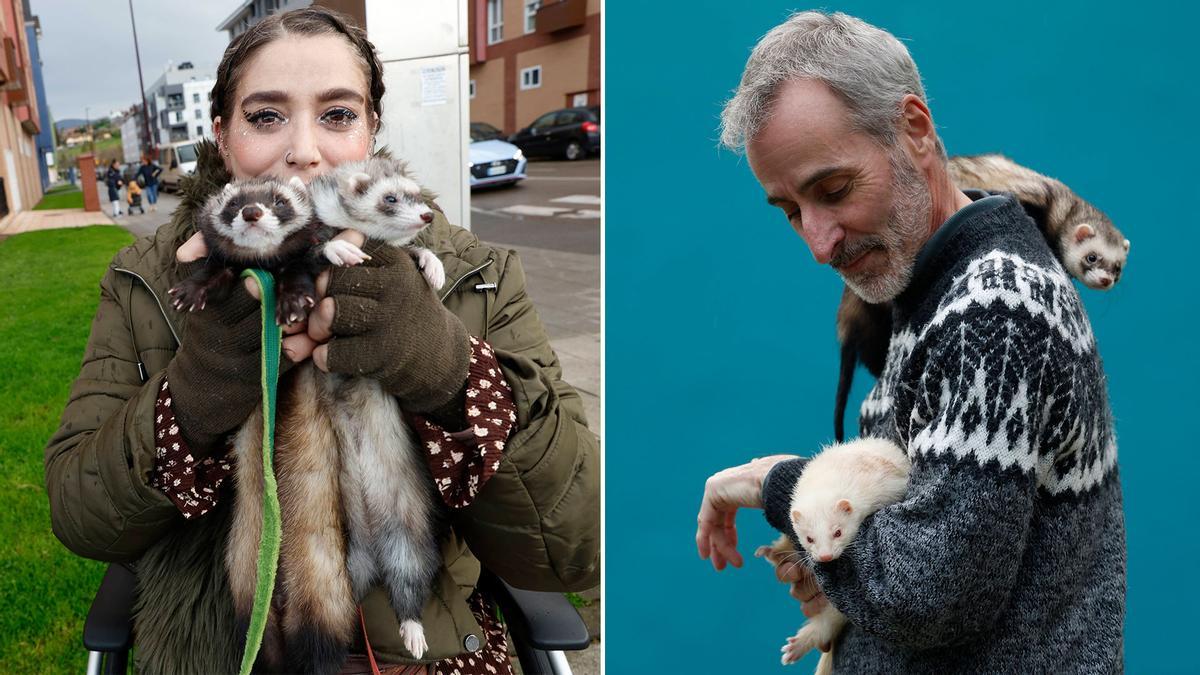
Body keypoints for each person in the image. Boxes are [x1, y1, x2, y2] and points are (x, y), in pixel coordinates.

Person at [43, 8, 598, 675]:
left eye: (337, 115)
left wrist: (450, 371)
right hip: (229, 653)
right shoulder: (149, 281)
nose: (303, 149)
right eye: (266, 116)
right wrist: (191, 396)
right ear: (222, 138)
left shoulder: (470, 274)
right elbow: (82, 513)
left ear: (370, 133)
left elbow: (576, 540)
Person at [695, 11, 1124, 672]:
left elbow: (928, 595)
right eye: (789, 210)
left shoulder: (995, 307)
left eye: (834, 190)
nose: (817, 241)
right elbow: (922, 534)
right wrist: (831, 560)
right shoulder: (928, 287)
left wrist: (775, 483)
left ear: (915, 130)